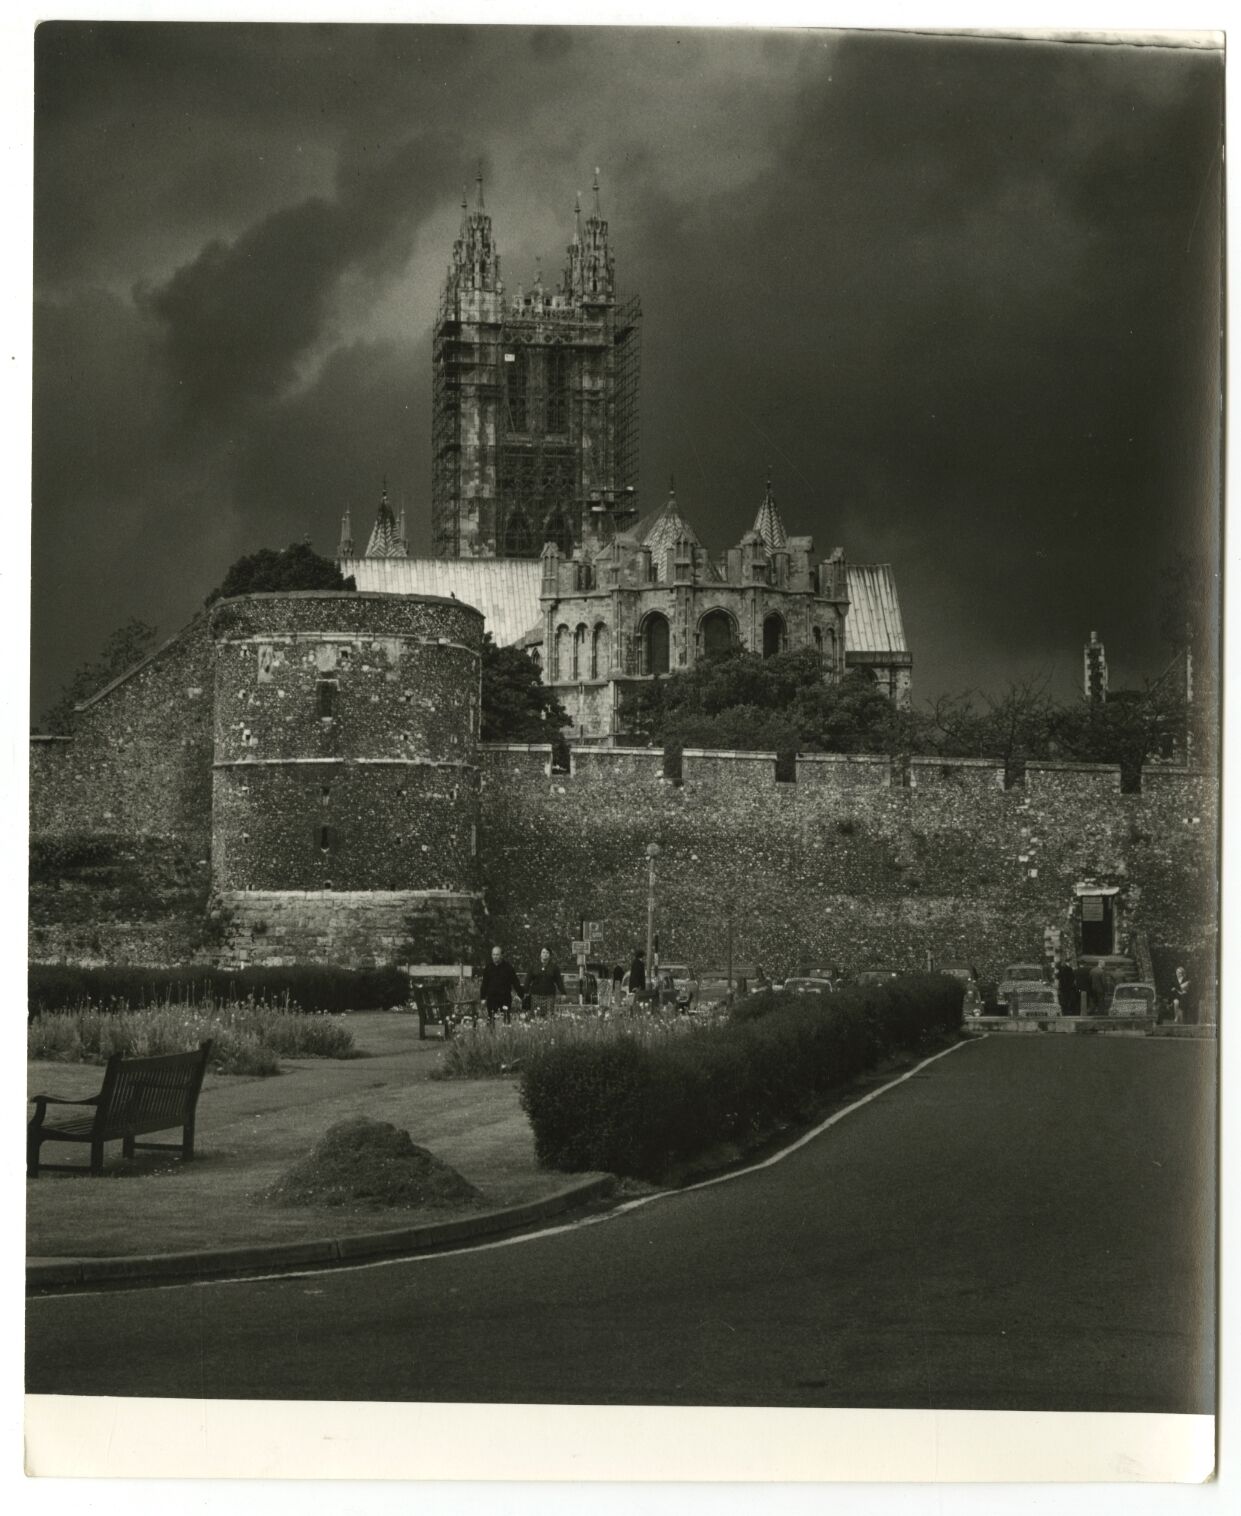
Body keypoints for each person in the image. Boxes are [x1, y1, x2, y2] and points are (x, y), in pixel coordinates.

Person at [479, 945, 522, 1026]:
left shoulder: (508, 968)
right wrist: (483, 998)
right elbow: (484, 984)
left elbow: (516, 982)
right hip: (492, 998)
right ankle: (490, 1037)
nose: (495, 957)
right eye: (493, 954)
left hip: (505, 998)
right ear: (491, 955)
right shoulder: (488, 968)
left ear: (502, 955)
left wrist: (520, 995)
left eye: (497, 954)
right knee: (491, 1020)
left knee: (506, 1020)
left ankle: (506, 1036)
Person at [525, 946, 565, 1017]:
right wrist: (525, 992)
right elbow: (528, 980)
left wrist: (563, 993)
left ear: (550, 955)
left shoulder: (554, 967)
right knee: (535, 1016)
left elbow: (559, 981)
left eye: (547, 953)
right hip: (535, 995)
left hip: (549, 995)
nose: (545, 954)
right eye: (543, 952)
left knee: (549, 1016)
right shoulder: (534, 966)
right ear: (540, 954)